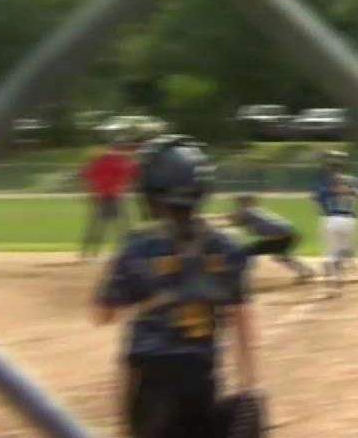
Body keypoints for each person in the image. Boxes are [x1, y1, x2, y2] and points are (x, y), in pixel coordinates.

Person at [93, 136, 259, 438]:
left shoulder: (138, 246)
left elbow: (103, 313)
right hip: (202, 379)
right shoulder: (226, 247)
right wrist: (250, 386)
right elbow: (242, 320)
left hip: (148, 384)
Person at [312, 151, 358, 292]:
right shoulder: (353, 182)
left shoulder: (325, 184)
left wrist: (322, 213)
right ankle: (337, 278)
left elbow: (315, 200)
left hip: (329, 220)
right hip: (350, 221)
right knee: (347, 252)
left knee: (331, 251)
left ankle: (331, 271)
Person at [219, 194, 315, 283]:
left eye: (238, 203)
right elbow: (235, 220)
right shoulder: (254, 211)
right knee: (280, 256)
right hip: (287, 235)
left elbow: (233, 220)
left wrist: (217, 220)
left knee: (245, 251)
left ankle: (234, 278)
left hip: (282, 237)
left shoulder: (247, 211)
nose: (236, 205)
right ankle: (306, 272)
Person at [80, 139, 139, 258]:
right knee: (123, 226)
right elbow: (134, 173)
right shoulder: (122, 161)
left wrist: (92, 191)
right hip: (115, 196)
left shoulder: (99, 160)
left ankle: (88, 252)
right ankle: (127, 252)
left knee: (97, 225)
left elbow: (85, 174)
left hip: (101, 196)